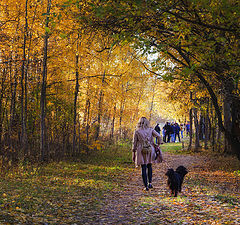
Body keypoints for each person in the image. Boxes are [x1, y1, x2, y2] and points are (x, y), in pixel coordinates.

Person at [132, 117, 163, 191]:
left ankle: (146, 186)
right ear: (147, 123)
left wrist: (133, 153)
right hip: (150, 149)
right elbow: (158, 136)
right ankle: (150, 183)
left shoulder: (137, 131)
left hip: (141, 149)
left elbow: (134, 143)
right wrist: (158, 144)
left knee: (143, 167)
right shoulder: (151, 130)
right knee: (149, 165)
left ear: (139, 123)